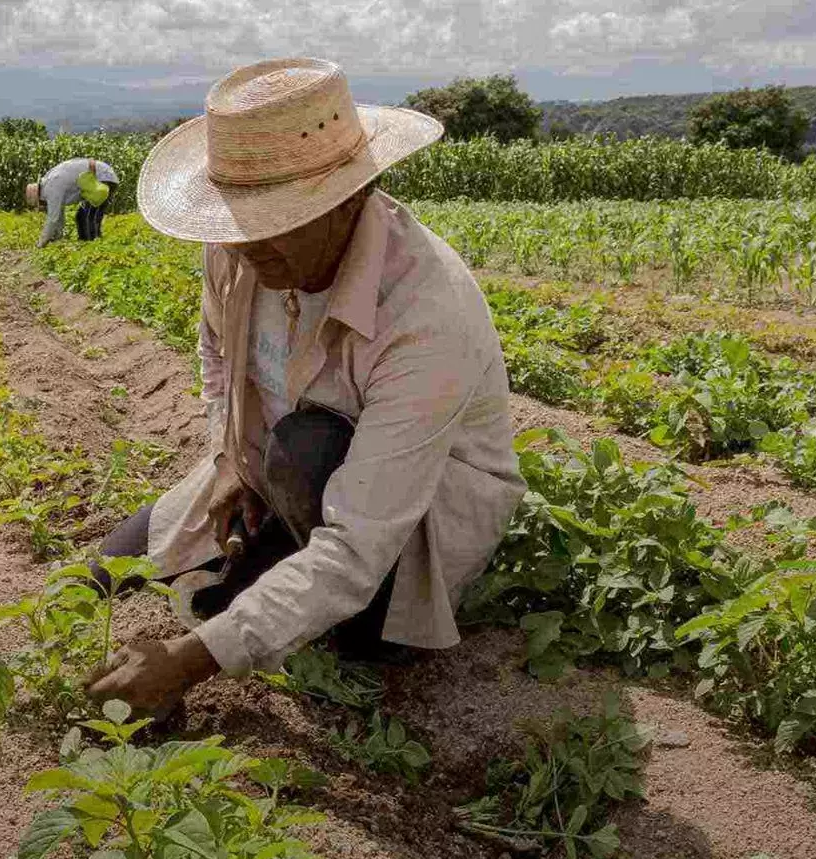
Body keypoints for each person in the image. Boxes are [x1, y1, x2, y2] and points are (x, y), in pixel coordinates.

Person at [84, 57, 526, 718]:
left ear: (349, 198)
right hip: (276, 474)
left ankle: (354, 625)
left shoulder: (427, 313)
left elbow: (356, 548)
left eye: (274, 220)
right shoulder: (235, 251)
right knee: (105, 568)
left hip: (399, 526)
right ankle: (269, 552)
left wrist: (186, 664)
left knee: (306, 449)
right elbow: (213, 352)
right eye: (237, 221)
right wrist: (230, 458)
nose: (245, 245)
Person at [27, 158, 120, 246]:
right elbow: (59, 217)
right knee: (81, 216)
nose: (44, 207)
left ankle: (93, 248)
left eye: (41, 205)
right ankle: (90, 245)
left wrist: (41, 242)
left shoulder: (51, 189)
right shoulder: (50, 182)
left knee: (87, 217)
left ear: (40, 199)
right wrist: (57, 237)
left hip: (103, 178)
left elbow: (53, 218)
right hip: (101, 179)